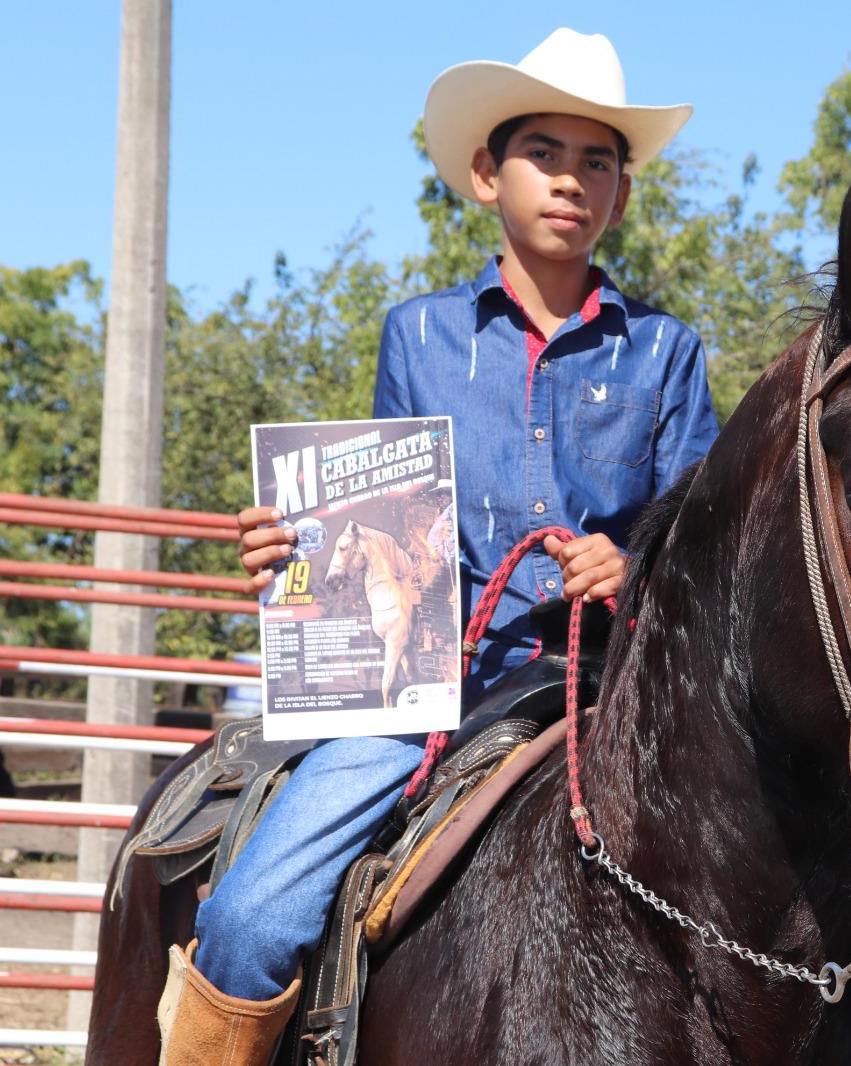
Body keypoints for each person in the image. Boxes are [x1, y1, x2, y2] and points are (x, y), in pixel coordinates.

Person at [154, 29, 717, 1064]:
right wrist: (293, 554)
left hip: (614, 694)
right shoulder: (417, 338)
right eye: (543, 152)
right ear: (483, 174)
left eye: (599, 161)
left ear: (622, 197)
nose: (571, 180)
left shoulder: (667, 353)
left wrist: (636, 565)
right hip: (426, 696)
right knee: (246, 921)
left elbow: (708, 550)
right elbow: (381, 527)